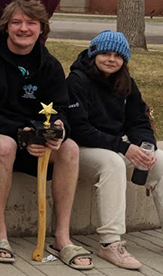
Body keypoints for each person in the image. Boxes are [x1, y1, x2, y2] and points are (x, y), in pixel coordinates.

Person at [0, 0, 92, 269]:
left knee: (69, 148)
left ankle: (61, 237)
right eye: (17, 22)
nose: (24, 29)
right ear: (6, 26)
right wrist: (19, 133)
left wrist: (57, 130)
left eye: (31, 23)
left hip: (36, 140)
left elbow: (61, 109)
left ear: (41, 29)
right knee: (4, 146)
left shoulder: (49, 64)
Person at [67, 30, 163, 270]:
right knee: (113, 163)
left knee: (160, 160)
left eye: (118, 56)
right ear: (93, 53)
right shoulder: (77, 80)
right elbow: (79, 128)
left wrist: (145, 147)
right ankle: (111, 243)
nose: (111, 59)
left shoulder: (126, 83)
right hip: (82, 149)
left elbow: (138, 121)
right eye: (105, 53)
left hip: (115, 145)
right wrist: (123, 147)